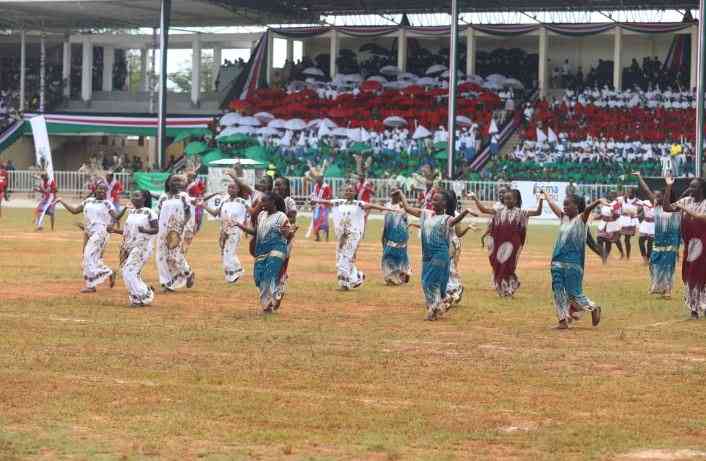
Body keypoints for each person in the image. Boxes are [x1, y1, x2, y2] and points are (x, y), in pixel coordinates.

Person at [395, 189, 474, 320]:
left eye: (436, 200)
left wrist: (466, 212)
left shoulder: (447, 218)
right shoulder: (425, 214)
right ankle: (441, 304)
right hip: (427, 255)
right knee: (430, 283)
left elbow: (455, 222)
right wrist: (401, 195)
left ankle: (434, 310)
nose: (433, 201)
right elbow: (408, 209)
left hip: (440, 254)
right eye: (433, 199)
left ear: (444, 203)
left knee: (429, 283)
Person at [311, 183, 393, 291]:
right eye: (347, 190)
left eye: (351, 190)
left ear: (355, 193)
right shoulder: (339, 202)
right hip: (342, 236)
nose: (348, 192)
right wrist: (316, 201)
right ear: (344, 192)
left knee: (345, 257)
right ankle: (357, 277)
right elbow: (326, 202)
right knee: (340, 257)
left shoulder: (359, 204)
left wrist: (388, 209)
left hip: (353, 235)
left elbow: (372, 206)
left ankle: (344, 284)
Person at [542, 191, 604, 329]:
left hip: (573, 264)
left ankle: (593, 307)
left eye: (567, 204)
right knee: (557, 291)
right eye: (563, 204)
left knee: (574, 294)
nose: (564, 207)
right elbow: (553, 205)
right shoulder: (563, 218)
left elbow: (587, 209)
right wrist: (546, 195)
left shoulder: (582, 219)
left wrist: (597, 201)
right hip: (557, 262)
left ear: (576, 207)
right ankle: (562, 321)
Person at [469, 189, 544, 297]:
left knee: (508, 265)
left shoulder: (521, 212)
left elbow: (538, 212)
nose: (507, 200)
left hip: (513, 244)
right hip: (499, 243)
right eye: (505, 198)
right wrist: (475, 198)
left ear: (515, 200)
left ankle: (508, 287)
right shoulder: (498, 211)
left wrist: (541, 200)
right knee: (498, 264)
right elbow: (483, 210)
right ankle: (511, 283)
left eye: (510, 198)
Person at [55, 183, 122, 293]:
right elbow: (75, 210)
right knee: (90, 258)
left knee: (88, 256)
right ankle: (97, 280)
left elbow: (116, 217)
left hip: (100, 234)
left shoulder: (107, 204)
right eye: (100, 189)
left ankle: (101, 277)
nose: (102, 191)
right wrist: (62, 201)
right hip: (89, 232)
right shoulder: (88, 201)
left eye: (105, 190)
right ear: (95, 189)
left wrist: (113, 224)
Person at [237, 192, 296, 313]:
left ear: (273, 203)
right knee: (258, 277)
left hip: (277, 249)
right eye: (261, 201)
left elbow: (288, 236)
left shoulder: (281, 216)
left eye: (264, 201)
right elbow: (256, 232)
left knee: (269, 274)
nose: (262, 204)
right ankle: (274, 295)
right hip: (261, 250)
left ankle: (269, 303)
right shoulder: (261, 215)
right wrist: (240, 226)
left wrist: (288, 232)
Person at [664, 176, 706, 318]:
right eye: (690, 186)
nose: (690, 189)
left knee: (700, 276)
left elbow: (701, 216)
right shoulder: (686, 201)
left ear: (701, 189)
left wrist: (685, 209)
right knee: (689, 276)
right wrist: (669, 187)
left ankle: (699, 307)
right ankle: (695, 307)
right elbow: (667, 208)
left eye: (694, 187)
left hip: (703, 245)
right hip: (690, 247)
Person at [634, 172, 681, 298]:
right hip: (659, 240)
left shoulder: (675, 207)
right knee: (654, 263)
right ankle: (659, 287)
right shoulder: (656, 205)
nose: (656, 198)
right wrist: (639, 176)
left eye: (659, 196)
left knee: (668, 266)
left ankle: (668, 290)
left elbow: (666, 204)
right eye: (656, 196)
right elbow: (646, 190)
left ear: (667, 196)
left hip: (671, 241)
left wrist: (668, 186)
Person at [111, 190, 158, 306]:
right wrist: (114, 230)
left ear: (144, 199)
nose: (134, 197)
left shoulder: (150, 212)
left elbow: (156, 229)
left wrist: (145, 230)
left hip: (142, 247)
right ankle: (139, 295)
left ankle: (144, 295)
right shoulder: (131, 212)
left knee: (129, 271)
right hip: (129, 246)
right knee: (128, 272)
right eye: (133, 195)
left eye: (137, 195)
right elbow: (128, 232)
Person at [200, 180, 249, 283]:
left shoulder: (242, 201)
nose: (230, 189)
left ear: (238, 189)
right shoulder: (224, 202)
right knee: (224, 252)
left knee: (229, 252)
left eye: (233, 187)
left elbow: (249, 214)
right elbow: (215, 213)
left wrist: (246, 229)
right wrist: (204, 206)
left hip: (235, 230)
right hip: (223, 230)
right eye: (229, 187)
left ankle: (234, 275)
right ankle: (235, 271)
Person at [156, 175, 196, 292]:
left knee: (175, 256)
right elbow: (158, 214)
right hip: (162, 231)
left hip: (177, 230)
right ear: (168, 183)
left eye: (179, 181)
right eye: (174, 181)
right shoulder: (163, 197)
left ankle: (188, 272)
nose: (177, 183)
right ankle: (167, 282)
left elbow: (188, 213)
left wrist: (183, 225)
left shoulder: (183, 196)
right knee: (161, 257)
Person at [381, 191, 411, 286]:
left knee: (400, 255)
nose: (395, 196)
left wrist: (406, 234)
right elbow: (386, 221)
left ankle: (402, 273)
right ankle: (397, 275)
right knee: (388, 255)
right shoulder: (387, 205)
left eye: (397, 195)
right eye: (393, 194)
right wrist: (383, 236)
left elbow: (406, 220)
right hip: (389, 232)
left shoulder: (403, 207)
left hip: (400, 233)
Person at [617, 188, 640, 260]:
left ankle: (628, 256)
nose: (628, 194)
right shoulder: (622, 199)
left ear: (634, 194)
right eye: (628, 192)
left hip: (630, 222)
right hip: (622, 220)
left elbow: (643, 209)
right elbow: (615, 201)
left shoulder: (637, 201)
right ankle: (622, 253)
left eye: (630, 192)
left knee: (627, 240)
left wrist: (637, 215)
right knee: (616, 238)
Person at [310, 173, 331, 242]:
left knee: (324, 222)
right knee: (315, 220)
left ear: (322, 179)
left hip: (324, 207)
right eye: (316, 178)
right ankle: (317, 237)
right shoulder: (316, 186)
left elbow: (329, 197)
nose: (316, 179)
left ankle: (326, 238)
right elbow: (313, 194)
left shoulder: (326, 187)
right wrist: (312, 201)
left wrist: (321, 201)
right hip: (317, 206)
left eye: (318, 178)